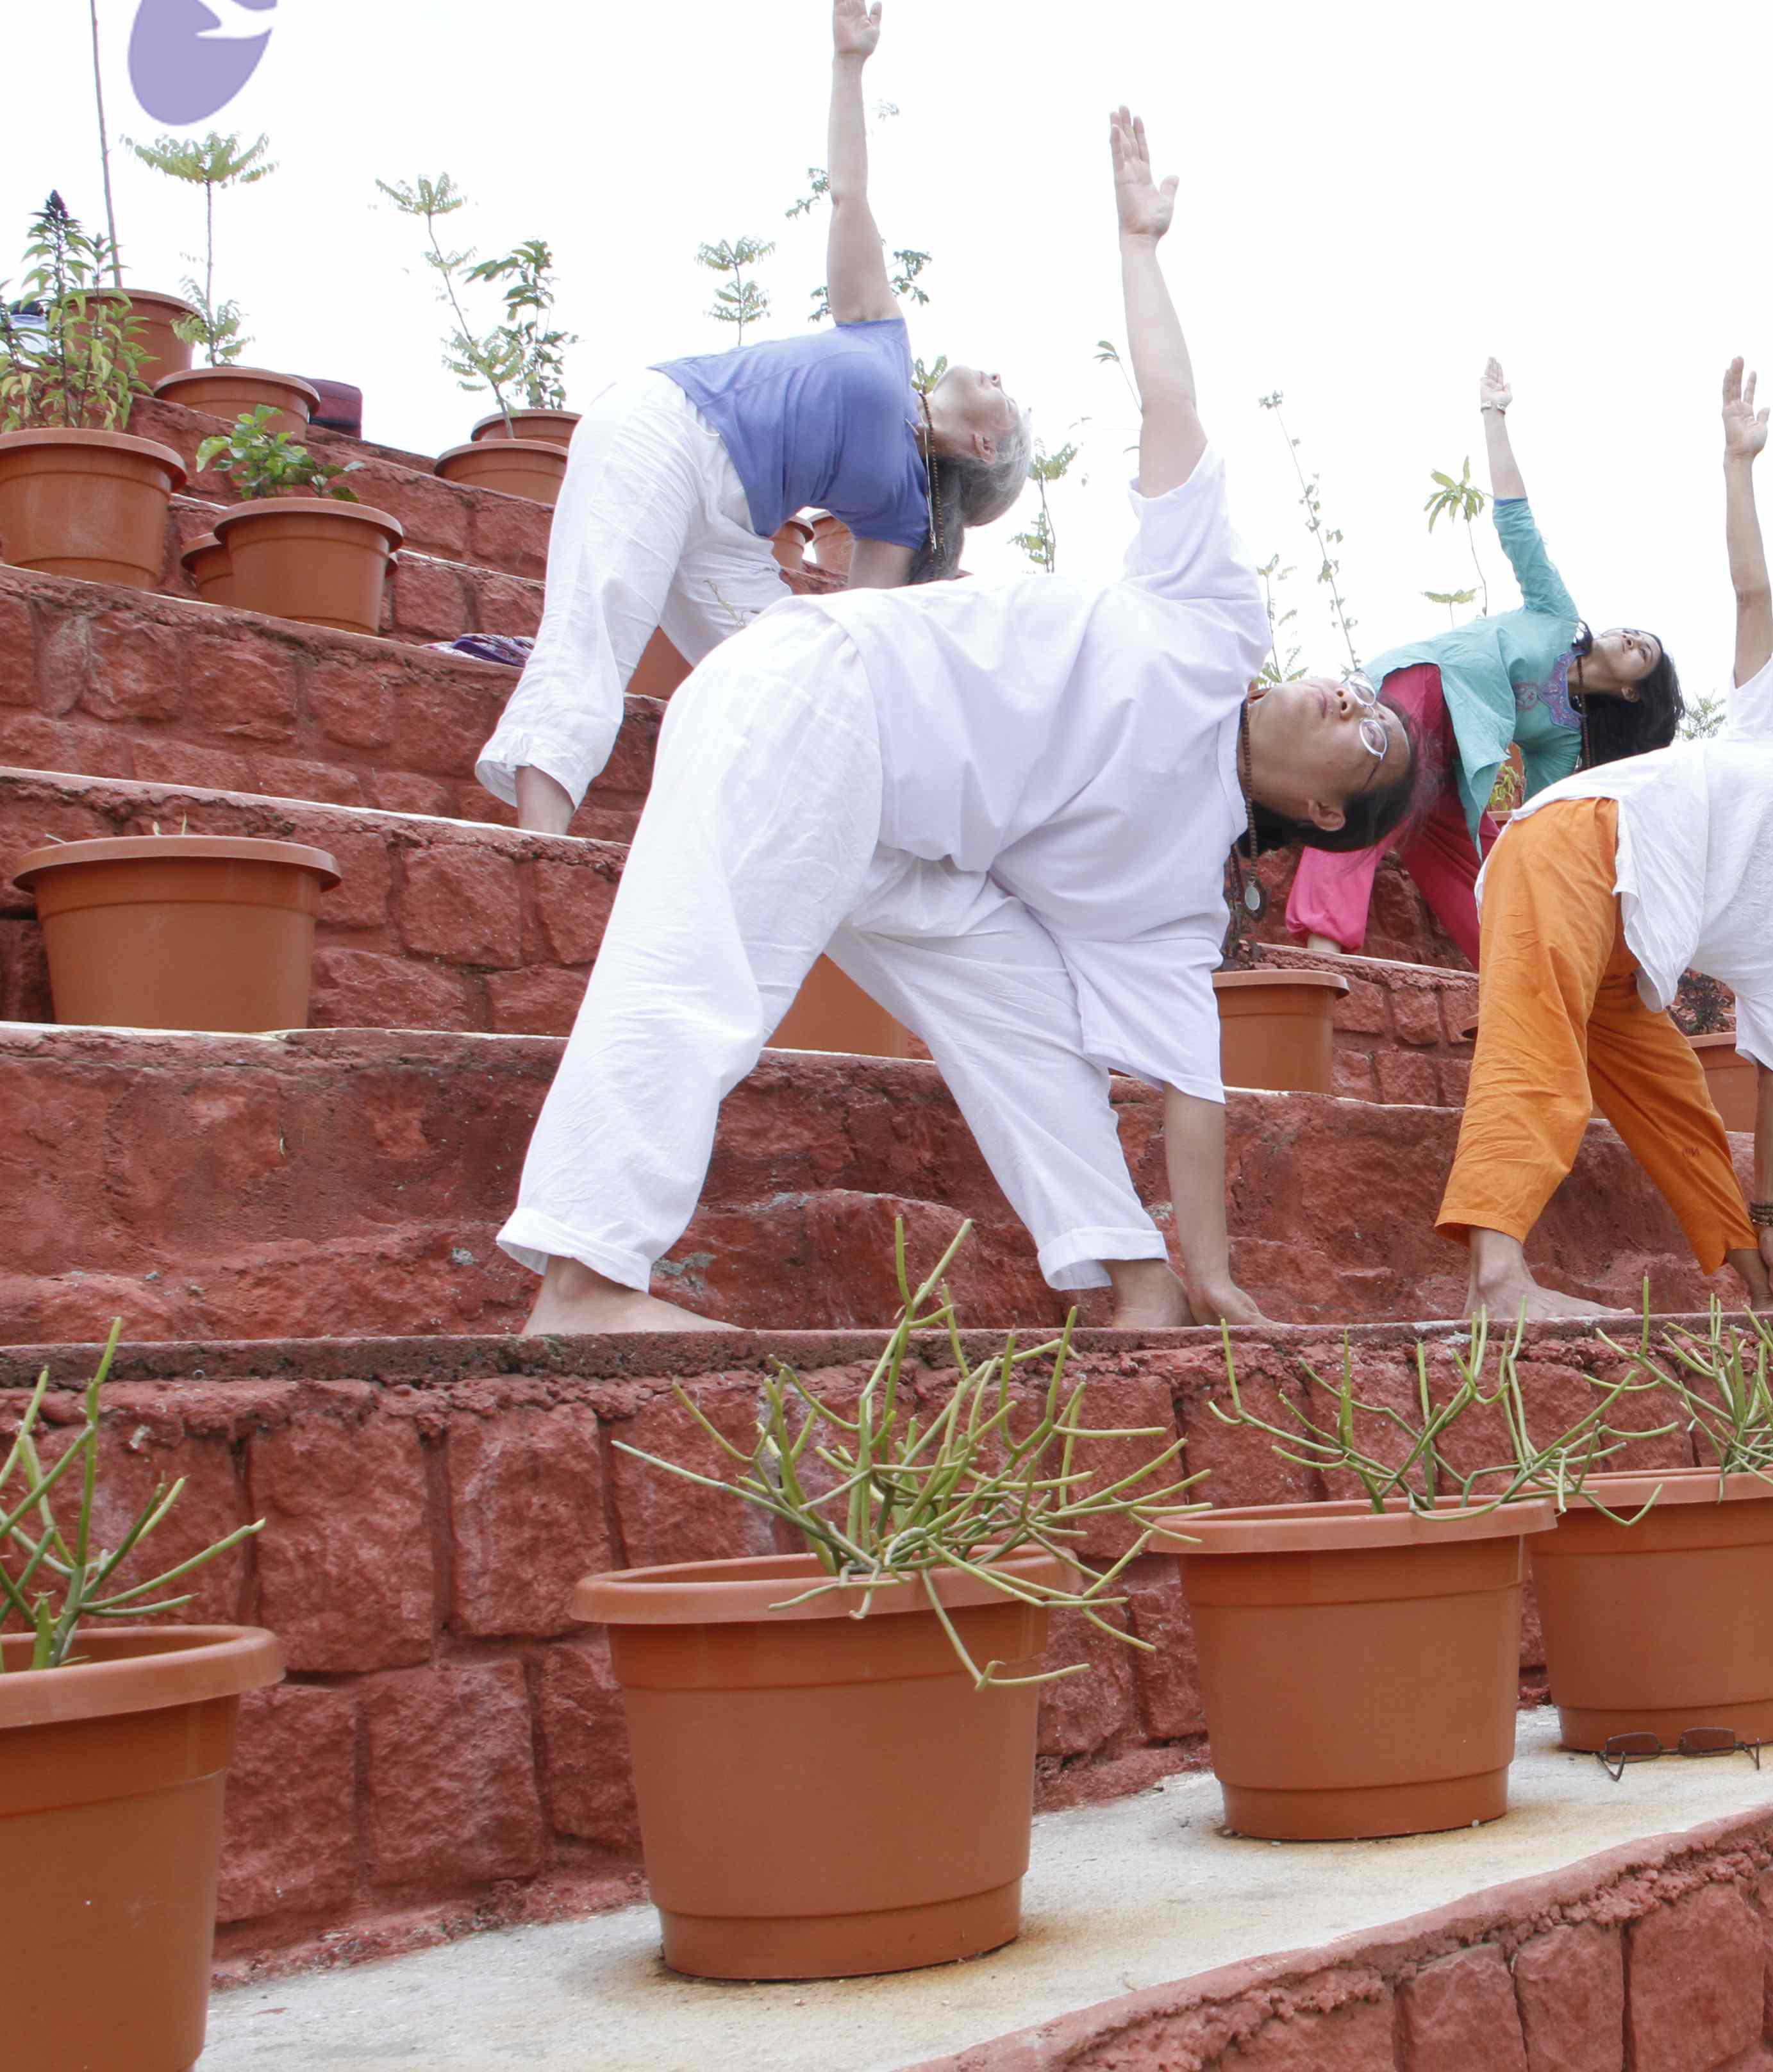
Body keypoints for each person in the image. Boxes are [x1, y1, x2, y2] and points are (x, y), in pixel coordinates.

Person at [499, 108, 1415, 1337]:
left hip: (892, 831)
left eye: (1369, 744)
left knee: (1020, 1000)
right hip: (820, 696)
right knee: (703, 963)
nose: (1352, 702)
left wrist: (1216, 1276)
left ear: (1321, 812)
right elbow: (1171, 408)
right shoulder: (1209, 622)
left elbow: (1193, 1093)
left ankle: (1129, 1276)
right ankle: (582, 1281)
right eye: (1363, 696)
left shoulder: (1170, 901)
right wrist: (1140, 251)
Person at [476, 0, 1031, 839]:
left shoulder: (895, 514)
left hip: (725, 529)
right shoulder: (883, 336)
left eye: (1013, 401)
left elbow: (856, 649)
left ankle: (766, 855)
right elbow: (851, 195)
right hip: (665, 431)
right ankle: (539, 847)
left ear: (987, 449)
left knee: (798, 681)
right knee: (602, 613)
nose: (1001, 377)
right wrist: (849, 65)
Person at [1433, 360, 1773, 1324]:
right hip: (1579, 848)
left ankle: (1757, 1285)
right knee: (1540, 1054)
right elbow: (1754, 593)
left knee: (1681, 1102)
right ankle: (1498, 1280)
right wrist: (1737, 463)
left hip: (1629, 945)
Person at [1285, 359, 1681, 964]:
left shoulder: (1564, 737)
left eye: (1643, 652)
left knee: (1492, 871)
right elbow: (1517, 524)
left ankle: (1514, 994)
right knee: (1371, 779)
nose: (1629, 638)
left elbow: (1536, 820)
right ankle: (1320, 952)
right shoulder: (1556, 613)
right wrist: (1494, 414)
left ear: (1633, 693)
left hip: (1456, 766)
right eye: (1632, 631)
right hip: (1427, 688)